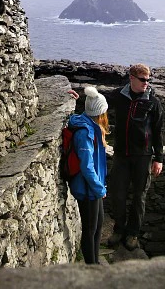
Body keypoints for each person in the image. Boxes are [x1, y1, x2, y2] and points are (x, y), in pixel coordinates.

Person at [68, 63, 164, 251]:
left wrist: (159, 158)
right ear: (132, 78)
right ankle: (119, 230)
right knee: (117, 195)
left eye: (148, 80)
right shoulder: (119, 95)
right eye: (143, 79)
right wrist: (79, 98)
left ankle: (132, 234)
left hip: (143, 156)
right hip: (121, 154)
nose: (147, 83)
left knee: (139, 196)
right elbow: (98, 104)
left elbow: (158, 131)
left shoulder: (153, 102)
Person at [67, 86, 109, 265]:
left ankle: (96, 263)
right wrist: (99, 188)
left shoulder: (90, 126)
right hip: (87, 188)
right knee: (90, 229)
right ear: (100, 113)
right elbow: (86, 166)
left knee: (98, 226)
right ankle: (92, 268)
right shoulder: (85, 132)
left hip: (94, 187)